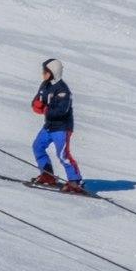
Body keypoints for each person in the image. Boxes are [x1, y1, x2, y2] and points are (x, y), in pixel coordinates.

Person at [30, 57, 85, 194]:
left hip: (62, 127)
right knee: (38, 146)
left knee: (63, 155)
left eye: (45, 71)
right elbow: (38, 100)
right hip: (49, 126)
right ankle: (47, 175)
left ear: (54, 72)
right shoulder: (45, 85)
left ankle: (75, 181)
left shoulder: (63, 90)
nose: (43, 74)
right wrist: (36, 105)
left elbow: (61, 110)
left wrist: (44, 109)